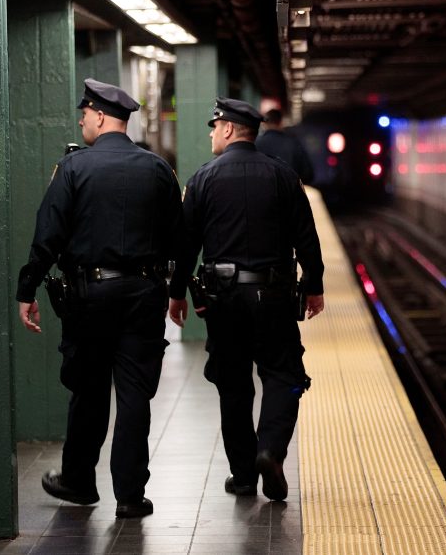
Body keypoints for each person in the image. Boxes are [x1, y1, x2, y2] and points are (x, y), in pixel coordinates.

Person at [16, 78, 183, 519]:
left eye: (85, 114)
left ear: (102, 117)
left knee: (89, 390)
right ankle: (130, 495)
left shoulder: (72, 169)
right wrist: (170, 285)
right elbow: (178, 238)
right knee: (134, 396)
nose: (82, 121)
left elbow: (47, 234)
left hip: (90, 296)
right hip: (145, 293)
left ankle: (79, 482)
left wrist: (27, 288)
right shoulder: (159, 170)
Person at [168, 97, 325, 501]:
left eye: (213, 127)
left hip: (223, 299)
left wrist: (177, 292)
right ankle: (270, 450)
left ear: (227, 130)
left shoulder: (202, 179)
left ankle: (242, 477)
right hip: (273, 294)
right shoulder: (282, 176)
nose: (210, 134)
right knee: (284, 376)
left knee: (232, 383)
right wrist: (314, 285)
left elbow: (186, 245)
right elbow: (306, 237)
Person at [255, 108, 314, 184]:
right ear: (281, 122)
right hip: (289, 192)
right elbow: (308, 173)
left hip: (263, 191)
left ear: (265, 124)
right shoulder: (293, 143)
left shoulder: (256, 143)